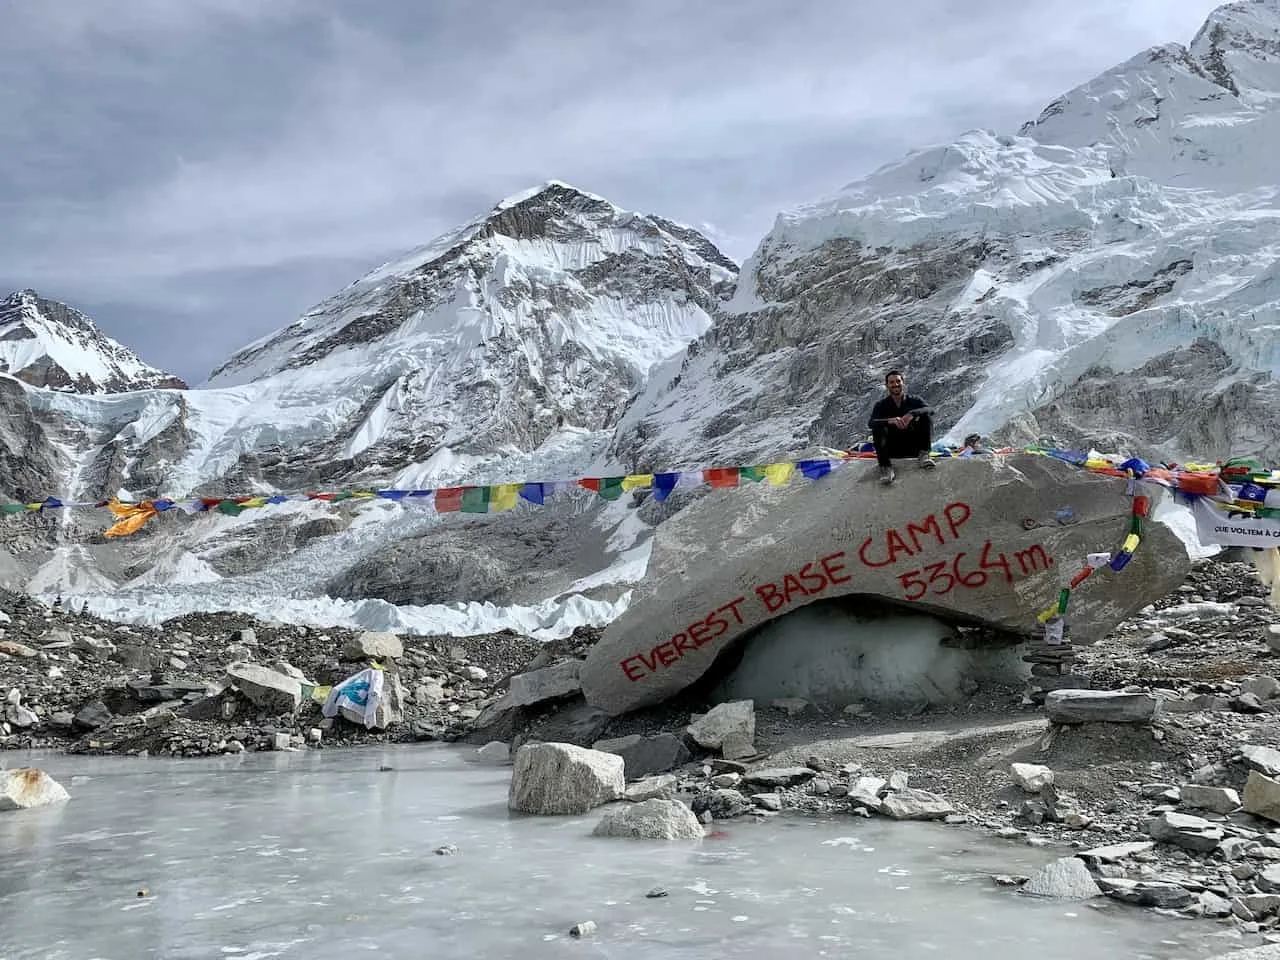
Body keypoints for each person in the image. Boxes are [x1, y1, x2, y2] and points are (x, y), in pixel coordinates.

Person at [867, 370, 934, 484]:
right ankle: (885, 467)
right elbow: (871, 423)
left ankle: (924, 455)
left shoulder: (914, 400)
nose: (895, 384)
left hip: (913, 446)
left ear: (903, 382)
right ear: (887, 385)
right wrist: (890, 421)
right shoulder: (881, 405)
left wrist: (912, 414)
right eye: (892, 382)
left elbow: (930, 410)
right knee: (878, 428)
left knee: (926, 417)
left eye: (898, 381)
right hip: (893, 449)